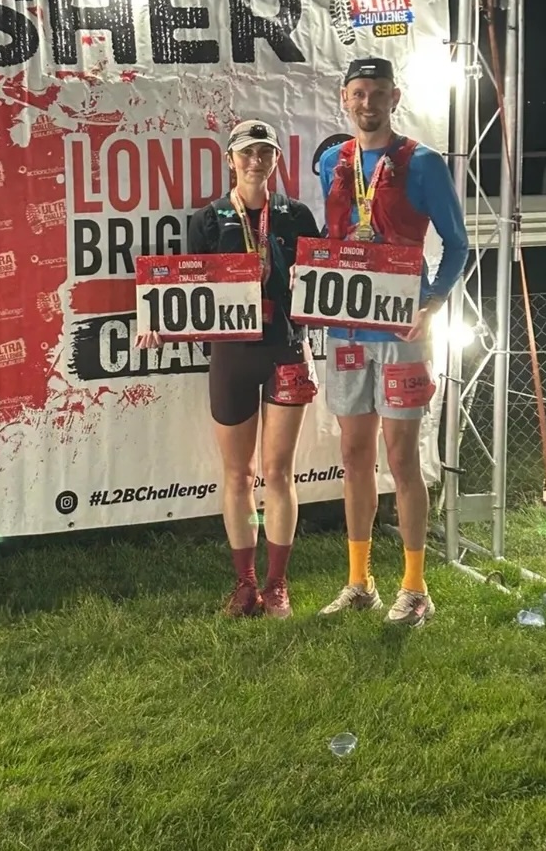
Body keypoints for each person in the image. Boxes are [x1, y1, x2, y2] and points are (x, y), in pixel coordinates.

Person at [136, 119, 320, 619]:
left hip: (284, 349)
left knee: (279, 474)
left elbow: (319, 285)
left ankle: (279, 586)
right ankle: (245, 586)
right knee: (238, 475)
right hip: (232, 356)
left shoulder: (296, 215)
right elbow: (188, 286)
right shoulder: (210, 219)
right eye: (247, 153)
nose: (256, 161)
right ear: (231, 161)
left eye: (265, 152)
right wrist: (159, 322)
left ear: (277, 160)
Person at [317, 57, 469, 626]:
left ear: (394, 96)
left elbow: (457, 246)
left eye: (377, 92)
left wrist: (431, 306)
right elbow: (337, 239)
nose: (367, 102)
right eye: (358, 92)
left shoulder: (423, 163)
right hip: (347, 329)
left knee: (401, 459)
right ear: (344, 98)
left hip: (401, 329)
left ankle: (415, 587)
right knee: (354, 455)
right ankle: (359, 581)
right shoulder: (334, 160)